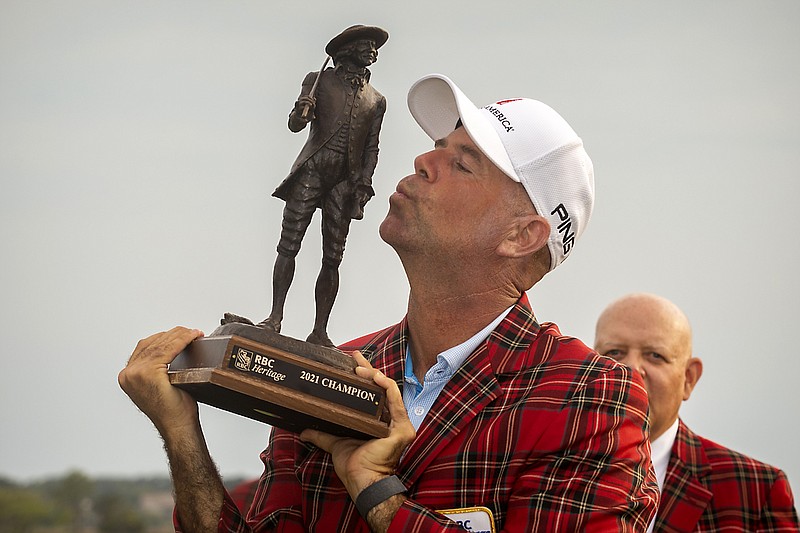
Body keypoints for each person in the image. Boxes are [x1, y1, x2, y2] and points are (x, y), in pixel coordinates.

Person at [120, 73, 659, 532]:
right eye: (438, 147)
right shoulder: (336, 369)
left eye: (463, 163)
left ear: (522, 236)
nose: (425, 159)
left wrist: (377, 492)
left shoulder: (592, 396)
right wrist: (181, 436)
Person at [594, 293, 799, 532]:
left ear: (689, 378)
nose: (632, 370)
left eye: (655, 355)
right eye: (614, 353)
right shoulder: (549, 470)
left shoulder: (755, 490)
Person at [255, 24, 388, 347]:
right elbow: (294, 125)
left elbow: (372, 147)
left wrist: (364, 184)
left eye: (374, 47)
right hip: (312, 170)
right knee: (289, 244)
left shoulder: (377, 100)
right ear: (348, 50)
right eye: (365, 45)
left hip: (345, 181)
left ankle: (320, 330)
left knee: (333, 257)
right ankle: (275, 316)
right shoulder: (318, 80)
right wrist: (303, 112)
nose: (372, 50)